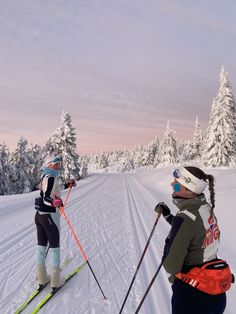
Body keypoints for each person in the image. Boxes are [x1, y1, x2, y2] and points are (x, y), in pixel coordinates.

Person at [155, 166, 233, 314]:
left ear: (190, 191)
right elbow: (194, 230)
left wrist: (170, 239)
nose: (172, 185)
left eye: (177, 184)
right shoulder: (205, 207)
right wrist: (169, 217)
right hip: (215, 291)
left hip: (192, 295)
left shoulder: (185, 219)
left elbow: (170, 265)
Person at [34, 155, 76, 289]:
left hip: (39, 215)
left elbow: (52, 190)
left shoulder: (46, 176)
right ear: (50, 165)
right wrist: (54, 202)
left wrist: (68, 185)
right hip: (50, 216)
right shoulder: (51, 177)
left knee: (41, 247)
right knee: (54, 248)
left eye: (59, 163)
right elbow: (47, 196)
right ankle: (56, 281)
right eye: (56, 164)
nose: (59, 166)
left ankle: (42, 278)